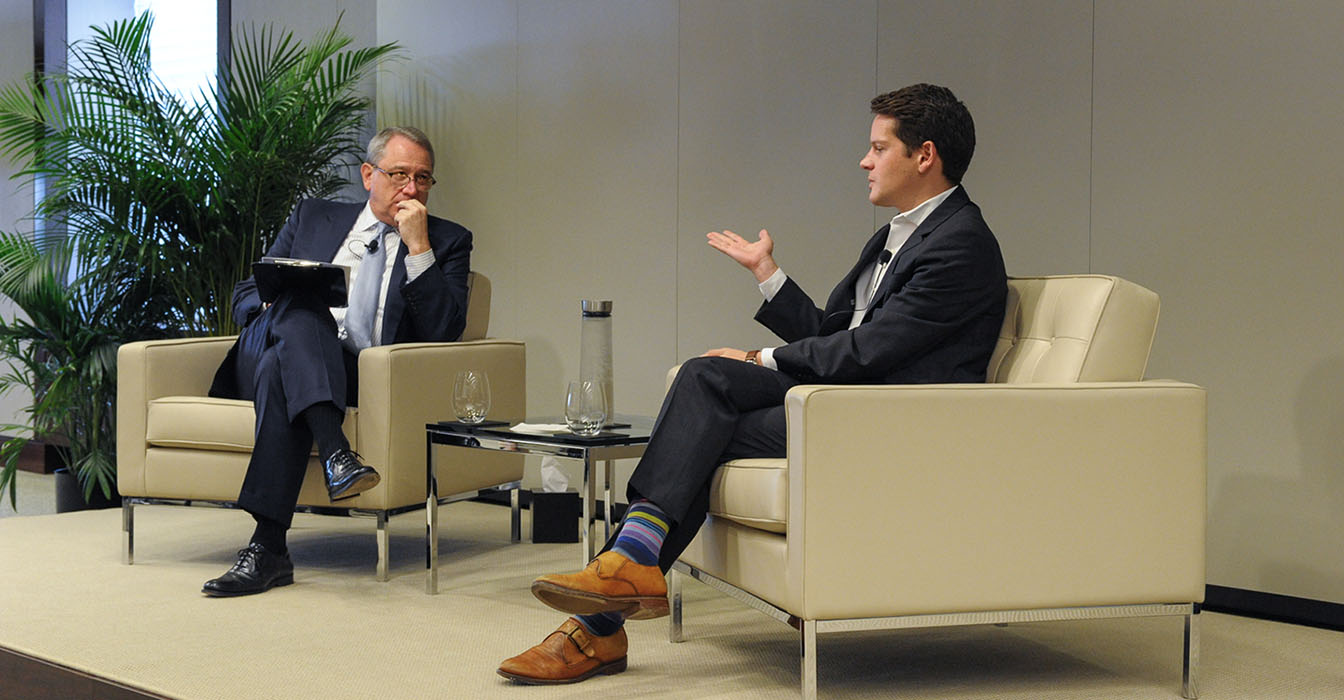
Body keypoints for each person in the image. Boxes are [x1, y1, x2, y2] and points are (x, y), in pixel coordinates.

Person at [496, 83, 1007, 684]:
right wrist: (768, 275)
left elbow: (868, 352)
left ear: (924, 155)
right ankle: (621, 578)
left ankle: (602, 615)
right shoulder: (900, 232)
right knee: (704, 380)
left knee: (706, 411)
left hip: (882, 418)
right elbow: (837, 333)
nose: (864, 161)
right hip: (841, 401)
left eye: (877, 147)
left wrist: (761, 356)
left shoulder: (962, 244)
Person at [201, 126, 473, 597]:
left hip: (351, 373)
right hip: (266, 341)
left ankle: (268, 549)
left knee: (278, 372)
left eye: (423, 179)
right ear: (369, 175)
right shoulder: (314, 217)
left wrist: (418, 249)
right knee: (300, 302)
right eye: (399, 174)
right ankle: (337, 452)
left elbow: (443, 332)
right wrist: (274, 307)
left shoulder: (446, 241)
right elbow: (248, 289)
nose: (411, 188)